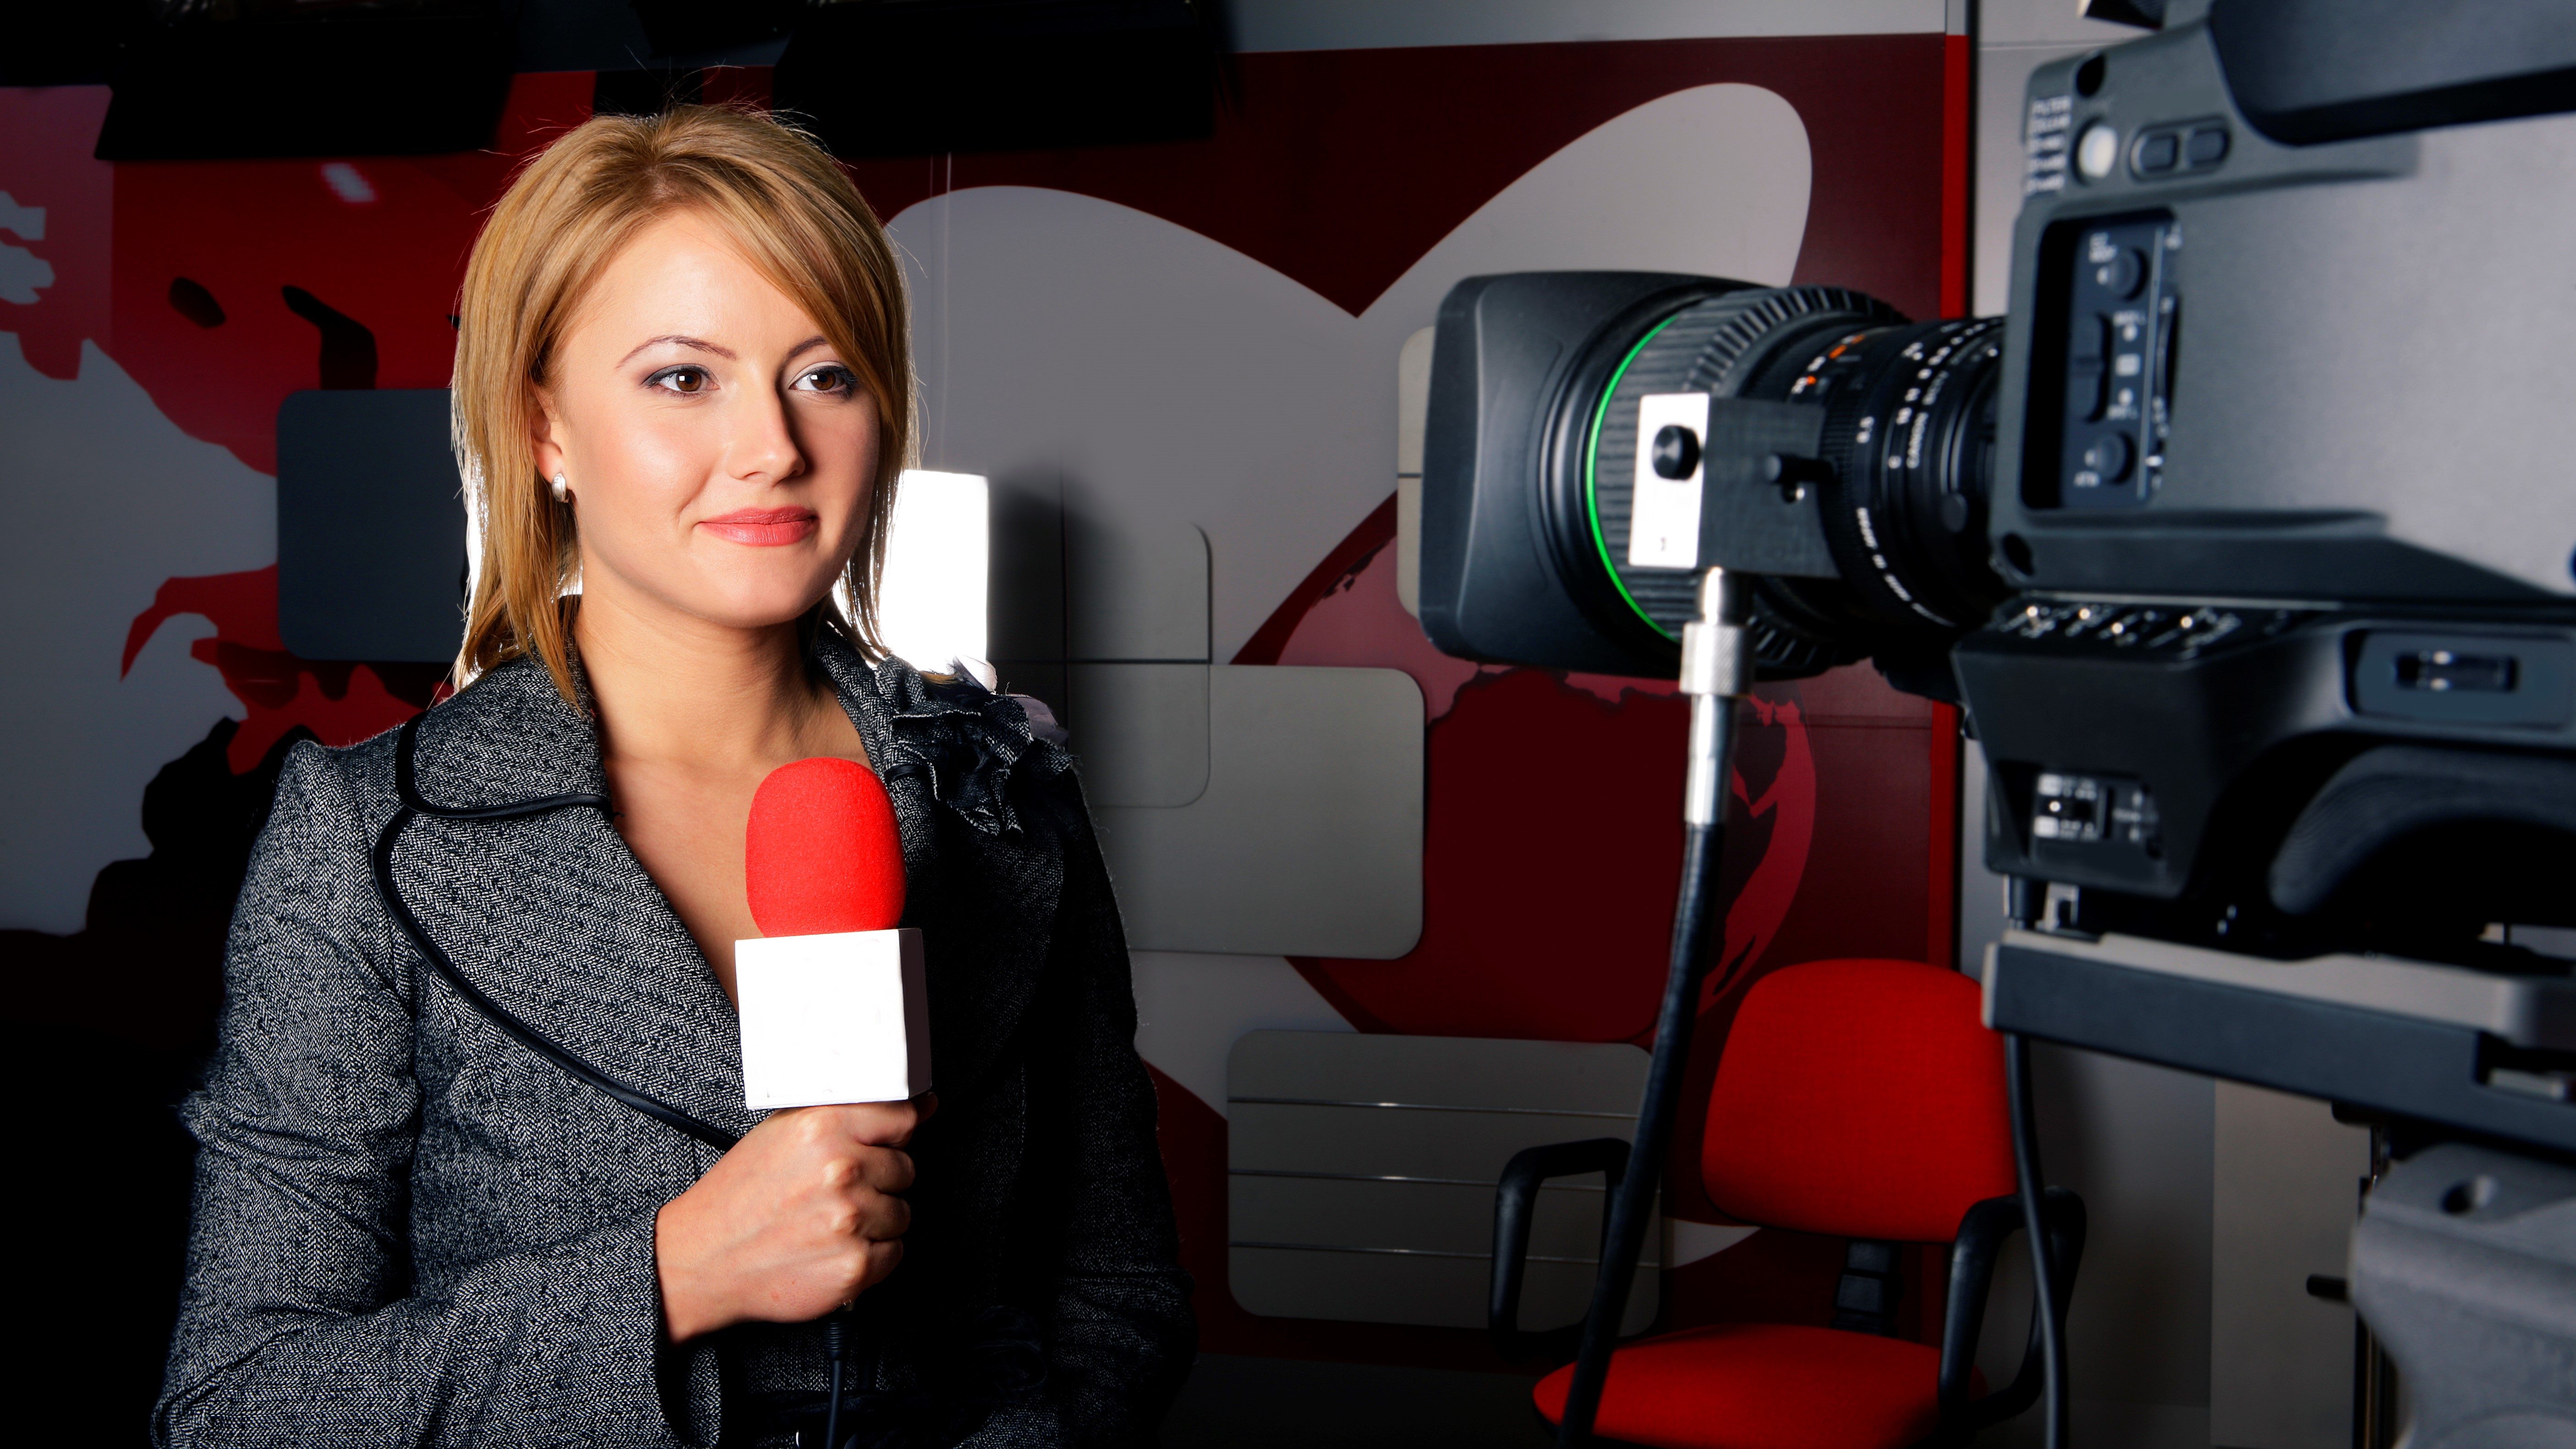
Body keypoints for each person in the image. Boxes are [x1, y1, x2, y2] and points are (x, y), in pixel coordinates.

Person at [155, 105, 1194, 1448]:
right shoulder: (361, 838)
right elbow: (243, 1404)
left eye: (826, 375)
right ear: (545, 430)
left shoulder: (999, 790)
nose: (773, 447)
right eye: (683, 378)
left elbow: (1114, 1292)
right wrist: (675, 1276)